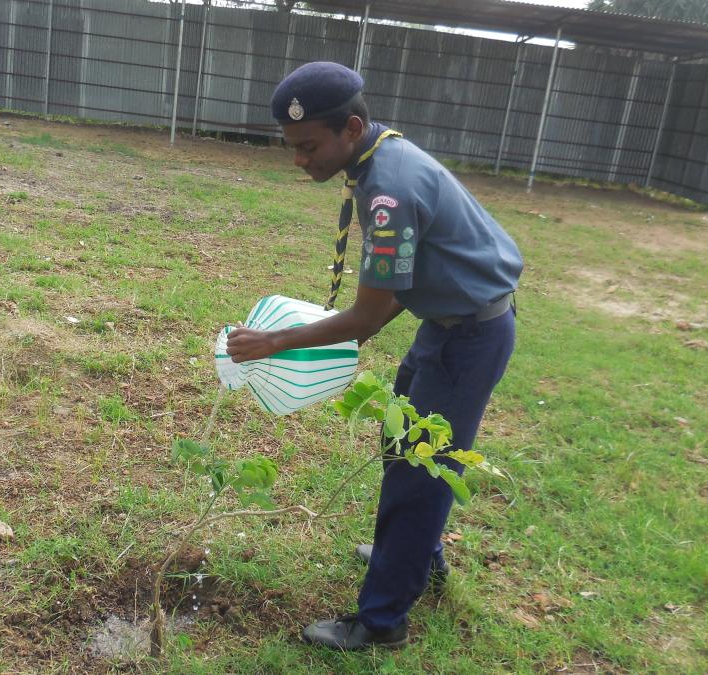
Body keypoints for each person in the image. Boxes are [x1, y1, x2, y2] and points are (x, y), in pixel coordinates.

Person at [224, 61, 523, 651]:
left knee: (418, 473)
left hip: (468, 336)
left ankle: (382, 622)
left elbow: (365, 313)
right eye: (292, 146)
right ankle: (417, 556)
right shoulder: (383, 154)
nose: (299, 159)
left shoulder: (387, 192)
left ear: (351, 128)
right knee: (402, 447)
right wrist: (347, 338)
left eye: (308, 146)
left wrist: (276, 342)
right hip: (443, 322)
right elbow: (384, 303)